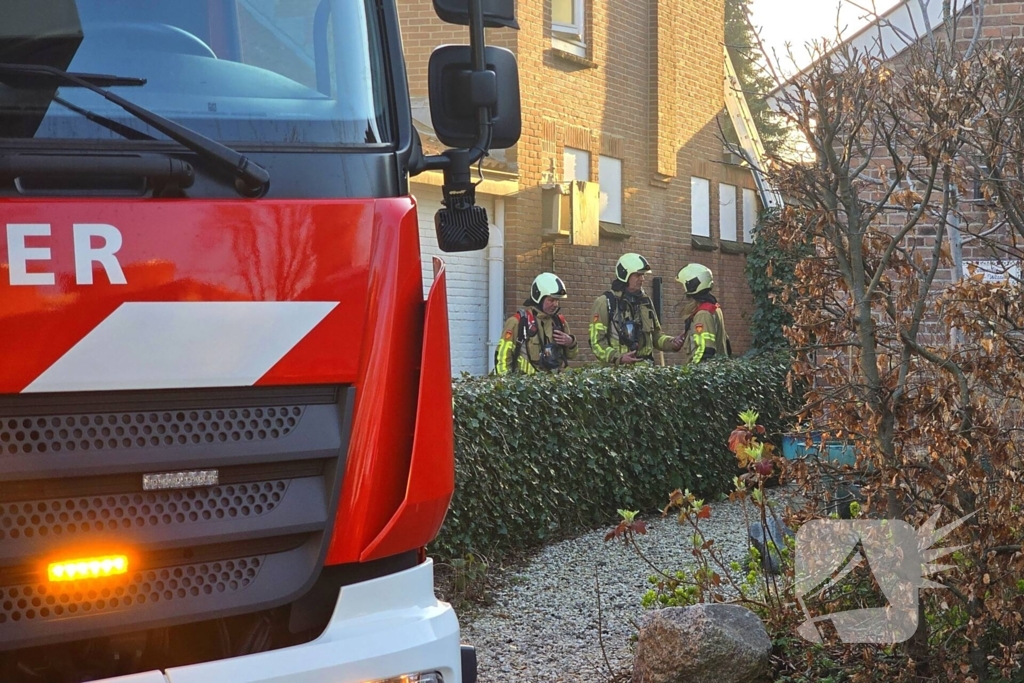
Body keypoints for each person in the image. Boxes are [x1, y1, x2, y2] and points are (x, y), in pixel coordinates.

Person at [589, 253, 683, 366]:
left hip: (644, 375)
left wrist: (672, 342)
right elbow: (597, 343)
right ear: (625, 275)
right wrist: (619, 357)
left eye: (643, 275)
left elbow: (656, 336)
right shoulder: (605, 302)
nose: (642, 279)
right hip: (616, 375)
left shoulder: (646, 301)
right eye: (638, 275)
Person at [494, 272, 579, 375]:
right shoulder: (517, 322)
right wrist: (507, 387)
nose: (555, 304)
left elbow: (571, 356)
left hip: (555, 387)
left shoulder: (560, 322)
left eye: (557, 300)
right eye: (551, 300)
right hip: (527, 387)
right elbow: (502, 359)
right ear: (538, 297)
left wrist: (570, 342)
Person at [674, 263, 732, 365]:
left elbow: (705, 351)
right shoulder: (713, 308)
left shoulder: (702, 314)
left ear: (691, 286)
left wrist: (691, 371)